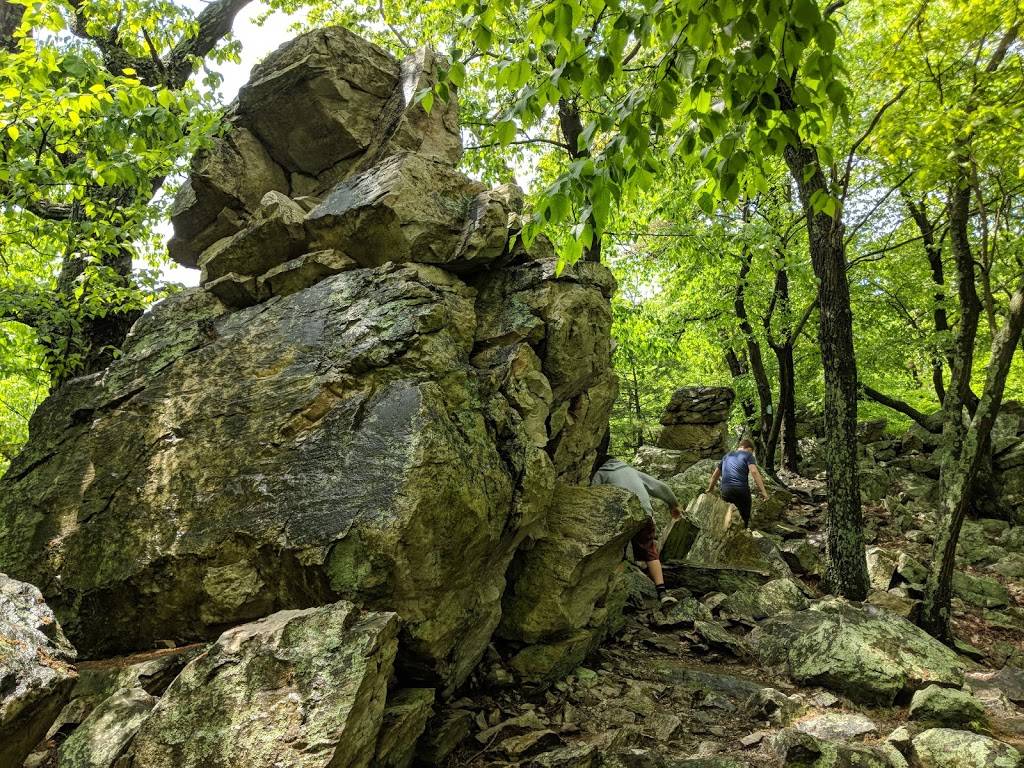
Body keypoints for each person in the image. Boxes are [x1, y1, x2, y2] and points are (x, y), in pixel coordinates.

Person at [591, 436, 682, 607]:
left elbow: (594, 497)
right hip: (644, 514)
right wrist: (674, 504)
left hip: (622, 518)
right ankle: (662, 592)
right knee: (649, 550)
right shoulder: (631, 471)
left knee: (616, 551)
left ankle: (612, 594)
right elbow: (660, 487)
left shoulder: (601, 473)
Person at [706, 438, 770, 528]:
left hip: (726, 491)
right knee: (744, 517)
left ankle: (725, 535)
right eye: (751, 451)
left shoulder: (726, 456)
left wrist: (710, 488)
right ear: (744, 447)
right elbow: (754, 472)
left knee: (726, 515)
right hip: (741, 490)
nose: (751, 454)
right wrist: (763, 492)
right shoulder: (748, 455)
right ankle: (743, 532)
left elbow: (715, 475)